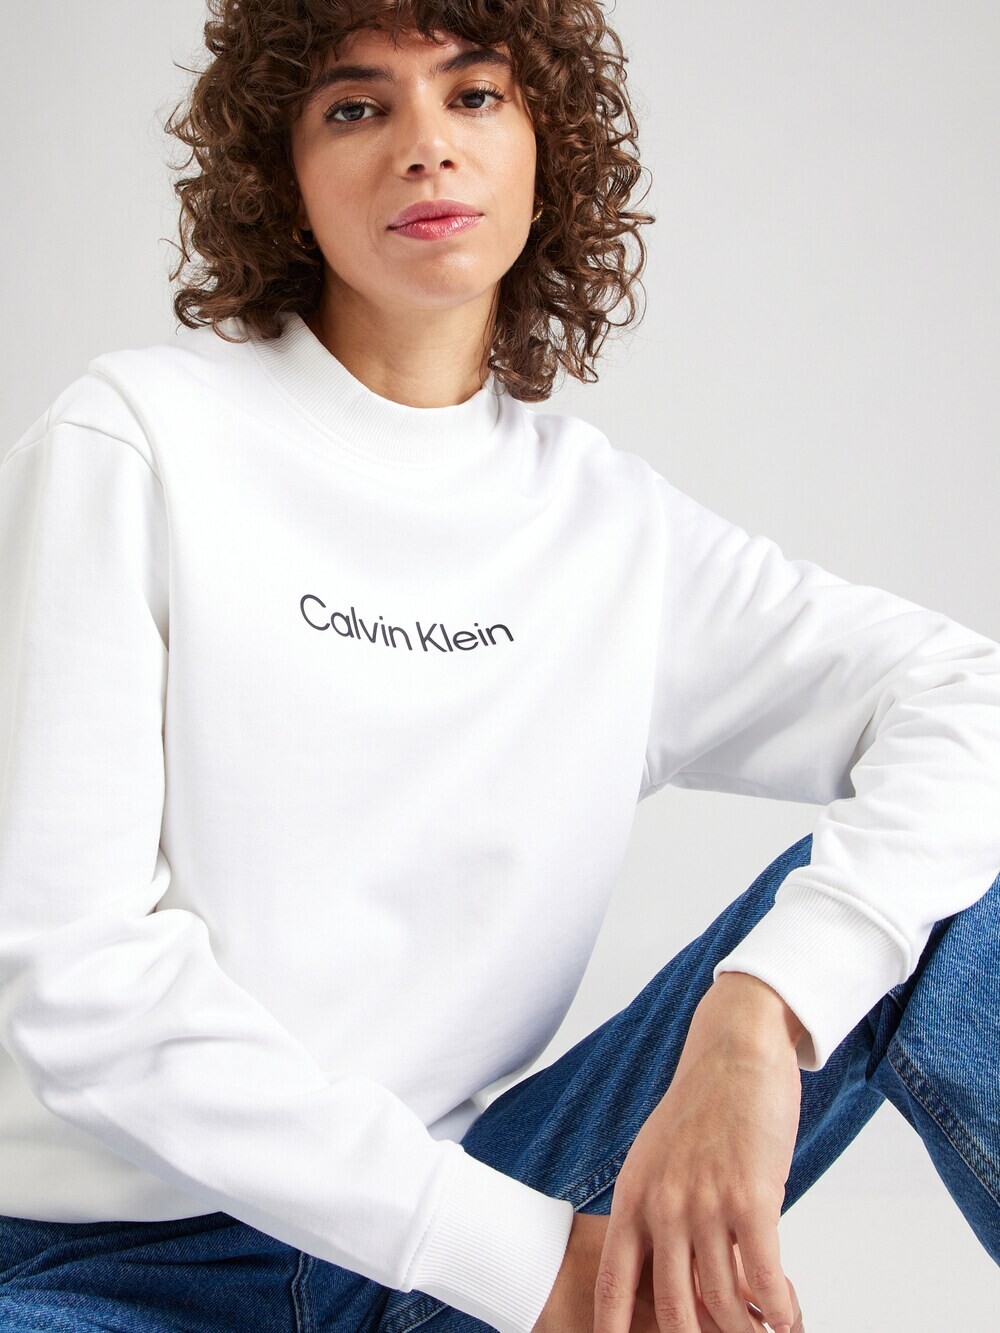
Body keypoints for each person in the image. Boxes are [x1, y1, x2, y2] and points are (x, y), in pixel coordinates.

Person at [0, 2, 998, 1331]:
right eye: (357, 107)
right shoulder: (137, 444)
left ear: (548, 150)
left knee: (950, 878)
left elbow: (968, 700)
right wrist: (527, 1268)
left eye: (474, 95)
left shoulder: (609, 532)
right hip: (122, 1273)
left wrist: (763, 1012)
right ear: (280, 174)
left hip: (473, 1228)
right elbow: (80, 982)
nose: (425, 143)